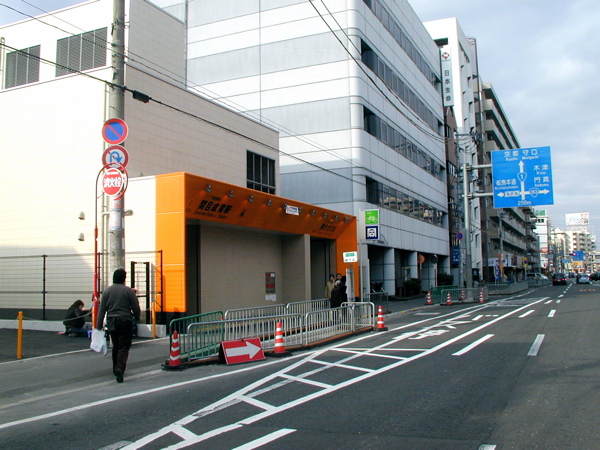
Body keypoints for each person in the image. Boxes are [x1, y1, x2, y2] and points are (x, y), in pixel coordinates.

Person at [96, 268, 141, 383]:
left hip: (111, 321)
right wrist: (137, 317)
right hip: (125, 320)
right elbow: (135, 306)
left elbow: (102, 310)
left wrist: (98, 324)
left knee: (116, 345)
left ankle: (115, 367)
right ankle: (120, 368)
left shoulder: (107, 291)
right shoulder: (128, 291)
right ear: (124, 279)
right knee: (124, 345)